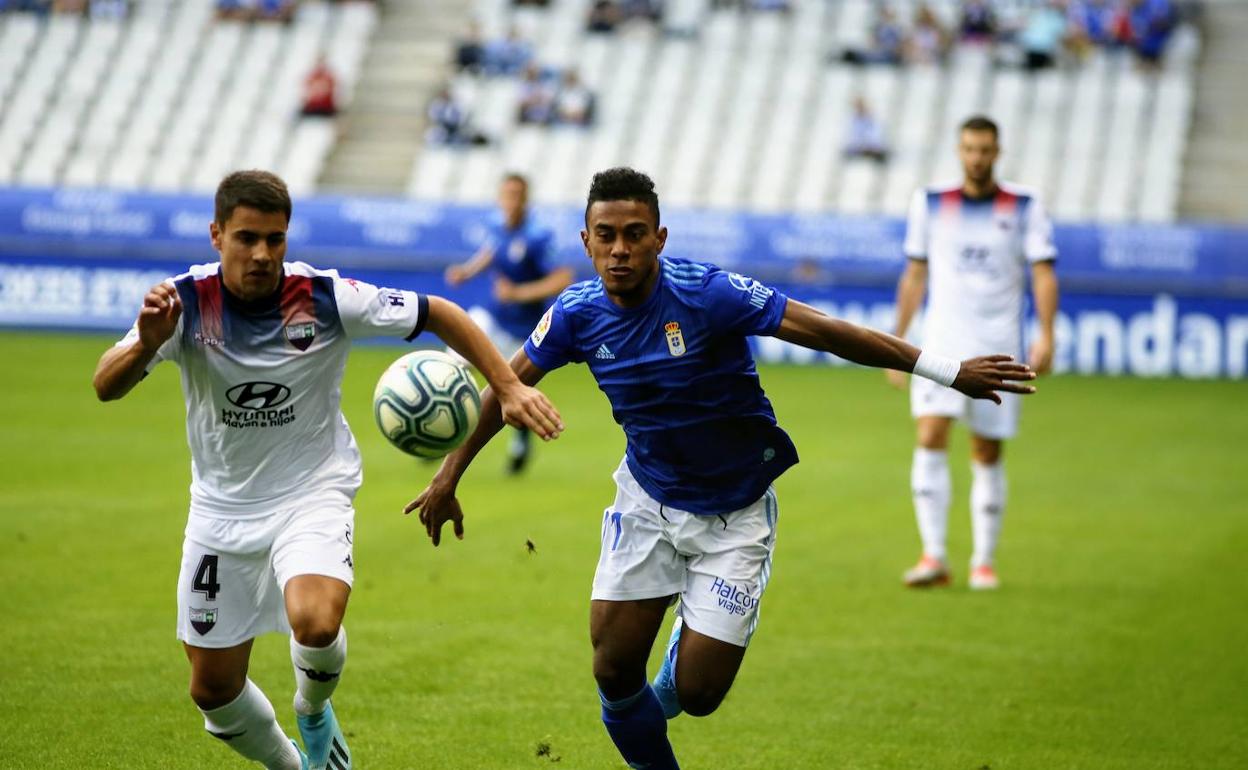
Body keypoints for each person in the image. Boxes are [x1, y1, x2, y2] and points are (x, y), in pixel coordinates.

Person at [410, 167, 1037, 768]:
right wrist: (448, 475)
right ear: (586, 241)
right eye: (606, 236)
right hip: (648, 501)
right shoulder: (576, 314)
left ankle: (687, 651)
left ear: (660, 237)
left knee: (700, 695)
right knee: (611, 668)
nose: (620, 250)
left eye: (635, 234)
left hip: (735, 512)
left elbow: (819, 329)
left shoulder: (706, 293)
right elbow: (504, 384)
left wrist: (947, 371)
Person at [92, 170, 562, 770]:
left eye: (275, 239)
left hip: (311, 491)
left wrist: (506, 385)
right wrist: (143, 343)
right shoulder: (182, 302)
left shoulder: (322, 296)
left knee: (314, 623)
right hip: (220, 510)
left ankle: (313, 710)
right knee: (213, 694)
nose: (262, 253)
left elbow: (439, 311)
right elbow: (106, 384)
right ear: (216, 235)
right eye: (246, 239)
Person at [889, 116, 1059, 591]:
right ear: (959, 151)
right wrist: (897, 341)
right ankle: (934, 556)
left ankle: (983, 560)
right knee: (930, 434)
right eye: (969, 149)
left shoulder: (1025, 205)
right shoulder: (930, 202)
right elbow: (915, 274)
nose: (977, 158)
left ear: (997, 152)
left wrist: (1046, 333)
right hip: (941, 342)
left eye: (985, 150)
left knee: (986, 449)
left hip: (1000, 343)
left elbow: (1043, 273)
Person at [444, 173, 574, 473]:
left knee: (512, 388)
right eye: (506, 194)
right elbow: (492, 251)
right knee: (454, 359)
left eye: (517, 195)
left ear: (526, 199)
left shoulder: (538, 235)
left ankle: (520, 444)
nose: (511, 201)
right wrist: (467, 271)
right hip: (494, 317)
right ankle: (440, 424)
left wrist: (518, 293)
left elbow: (562, 277)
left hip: (524, 329)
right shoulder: (496, 225)